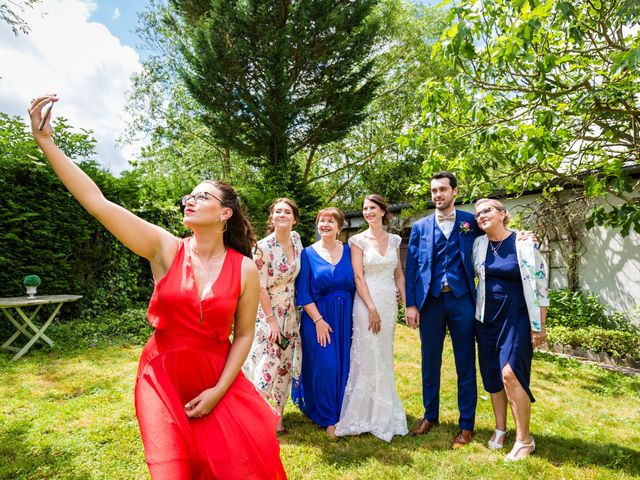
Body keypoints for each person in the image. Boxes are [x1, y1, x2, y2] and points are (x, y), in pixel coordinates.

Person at [28, 95, 286, 479]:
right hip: (161, 375)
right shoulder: (164, 248)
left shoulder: (245, 269)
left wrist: (218, 391)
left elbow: (245, 335)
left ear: (225, 213)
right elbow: (97, 203)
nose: (191, 200)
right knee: (170, 470)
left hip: (216, 377)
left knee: (236, 467)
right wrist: (47, 142)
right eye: (189, 196)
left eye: (202, 196)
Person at [405, 171, 482, 448]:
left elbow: (498, 230)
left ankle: (466, 424)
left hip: (462, 300)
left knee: (465, 362)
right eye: (434, 191)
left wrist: (521, 236)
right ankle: (430, 415)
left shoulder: (470, 222)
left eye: (442, 190)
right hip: (431, 302)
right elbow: (412, 268)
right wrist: (411, 304)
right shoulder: (420, 227)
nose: (437, 195)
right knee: (430, 361)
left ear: (454, 192)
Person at [472, 198, 549, 461]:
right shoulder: (478, 244)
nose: (482, 215)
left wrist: (539, 327)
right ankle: (500, 428)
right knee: (493, 374)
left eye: (487, 210)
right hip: (485, 317)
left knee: (511, 374)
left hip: (516, 315)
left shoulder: (524, 243)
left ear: (503, 214)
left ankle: (525, 440)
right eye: (478, 213)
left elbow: (541, 288)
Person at [334, 195, 408, 442]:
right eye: (365, 209)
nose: (368, 212)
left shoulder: (395, 240)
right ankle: (363, 413)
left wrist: (406, 302)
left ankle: (384, 411)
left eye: (372, 208)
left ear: (383, 211)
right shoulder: (357, 240)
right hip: (366, 303)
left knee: (383, 355)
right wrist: (372, 308)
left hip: (388, 303)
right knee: (367, 354)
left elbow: (398, 274)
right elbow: (358, 277)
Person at [292, 207, 355, 438]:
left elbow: (359, 283)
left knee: (345, 365)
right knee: (327, 366)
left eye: (330, 221)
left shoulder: (350, 252)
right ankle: (329, 418)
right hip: (318, 317)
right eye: (321, 221)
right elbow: (304, 293)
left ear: (339, 227)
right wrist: (318, 320)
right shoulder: (307, 254)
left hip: (346, 316)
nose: (325, 225)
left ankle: (344, 412)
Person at [242, 198, 303, 433]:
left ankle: (277, 419)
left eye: (287, 212)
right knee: (268, 363)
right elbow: (258, 287)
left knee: (285, 366)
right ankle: (253, 417)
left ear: (294, 219)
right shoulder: (262, 248)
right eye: (278, 211)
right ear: (272, 218)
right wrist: (271, 321)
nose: (282, 215)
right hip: (269, 313)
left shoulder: (297, 240)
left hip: (290, 313)